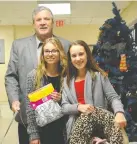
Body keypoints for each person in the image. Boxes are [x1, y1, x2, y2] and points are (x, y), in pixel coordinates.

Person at [5, 6, 70, 144]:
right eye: (38, 19)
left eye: (46, 19)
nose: (42, 22)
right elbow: (11, 76)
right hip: (28, 117)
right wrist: (14, 100)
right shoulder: (19, 45)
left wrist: (63, 97)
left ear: (53, 22)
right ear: (33, 24)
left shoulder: (66, 45)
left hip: (58, 119)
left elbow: (71, 77)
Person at [61, 40, 127, 143]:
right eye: (74, 56)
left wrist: (119, 112)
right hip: (75, 131)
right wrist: (78, 107)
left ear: (87, 55)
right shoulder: (66, 81)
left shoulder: (99, 76)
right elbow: (64, 107)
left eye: (81, 54)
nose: (78, 58)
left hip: (100, 127)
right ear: (70, 59)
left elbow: (113, 97)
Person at [26, 37, 67, 144]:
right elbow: (30, 107)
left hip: (64, 129)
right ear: (42, 54)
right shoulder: (33, 76)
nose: (50, 54)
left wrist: (61, 99)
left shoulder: (67, 74)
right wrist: (33, 135)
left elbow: (74, 100)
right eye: (47, 51)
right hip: (44, 130)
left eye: (54, 50)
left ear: (60, 53)